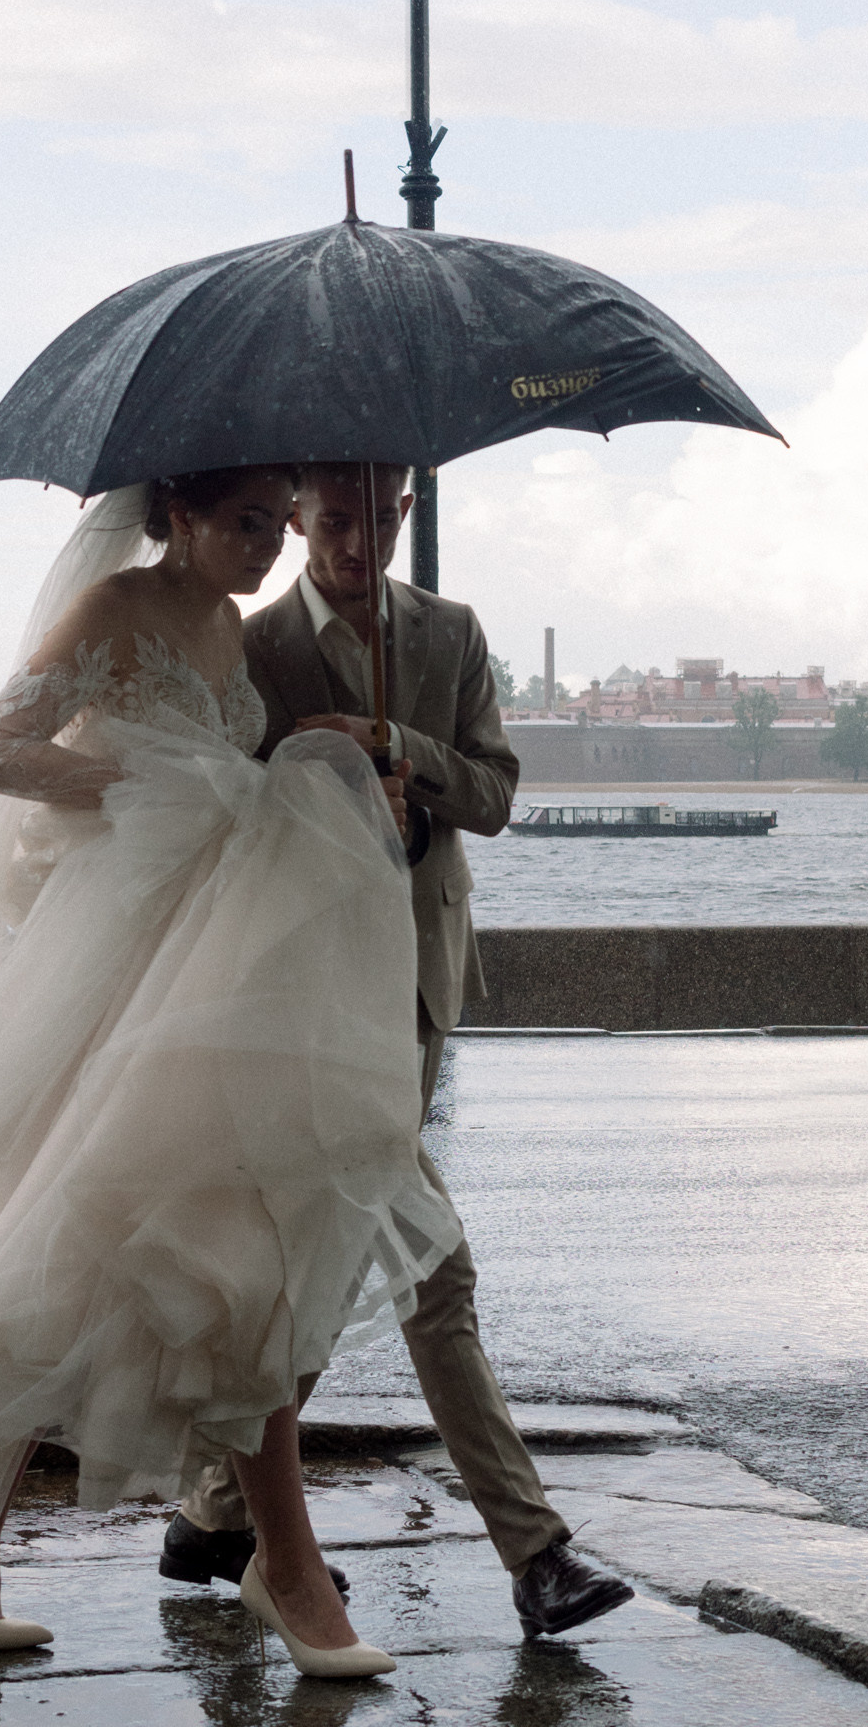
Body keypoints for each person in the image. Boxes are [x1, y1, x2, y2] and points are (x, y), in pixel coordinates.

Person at [0, 468, 460, 1678]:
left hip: (203, 980)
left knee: (173, 1254)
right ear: (175, 513)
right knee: (148, 1251)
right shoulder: (112, 607)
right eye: (245, 525)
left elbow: (233, 796)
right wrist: (141, 783)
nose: (269, 551)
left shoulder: (225, 622)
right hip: (121, 980)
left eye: (278, 527)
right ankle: (284, 1570)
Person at [161, 462, 635, 1641]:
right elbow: (233, 814)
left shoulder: (453, 633)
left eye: (376, 524)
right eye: (329, 525)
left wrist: (392, 742)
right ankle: (535, 1555)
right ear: (304, 516)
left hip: (417, 984)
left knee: (337, 1248)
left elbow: (492, 793)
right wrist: (331, 793)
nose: (351, 549)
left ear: (403, 515)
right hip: (307, 996)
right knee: (433, 1270)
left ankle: (214, 1515)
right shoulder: (254, 644)